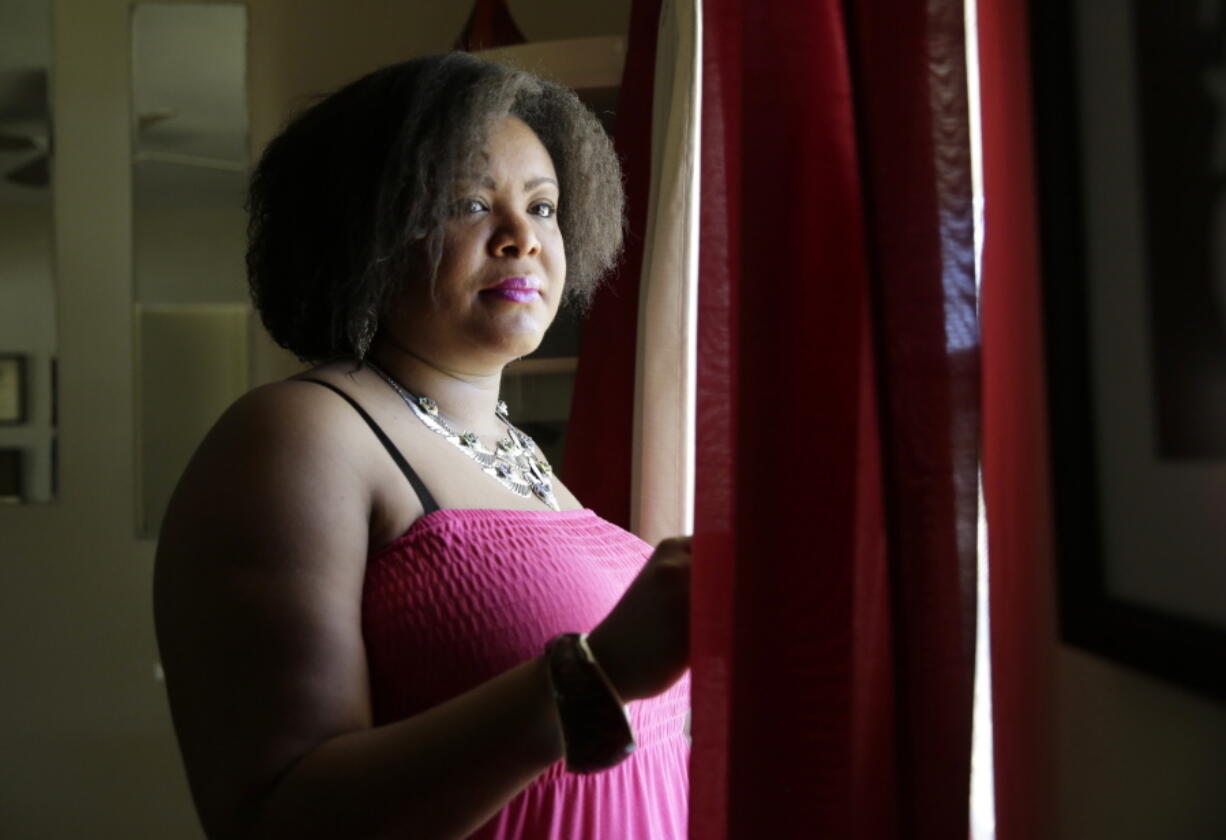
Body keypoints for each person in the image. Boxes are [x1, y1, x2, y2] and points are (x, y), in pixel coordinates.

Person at [153, 52, 691, 839]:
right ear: (362, 232)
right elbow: (275, 818)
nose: (520, 239)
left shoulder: (520, 455)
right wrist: (594, 674)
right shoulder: (301, 434)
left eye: (542, 207)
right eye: (468, 203)